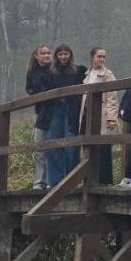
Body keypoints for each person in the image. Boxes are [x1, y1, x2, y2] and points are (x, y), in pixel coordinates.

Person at [45, 45, 86, 186]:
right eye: (60, 54)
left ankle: (72, 178)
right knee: (53, 143)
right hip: (55, 109)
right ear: (56, 56)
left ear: (70, 55)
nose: (63, 57)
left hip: (72, 110)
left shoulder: (79, 71)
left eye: (66, 54)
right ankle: (56, 180)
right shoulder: (50, 73)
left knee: (72, 145)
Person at [80, 47, 119, 186]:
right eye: (99, 56)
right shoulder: (86, 75)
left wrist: (111, 118)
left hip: (102, 115)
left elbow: (112, 98)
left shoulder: (108, 75)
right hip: (86, 115)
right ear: (92, 57)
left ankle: (105, 180)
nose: (102, 59)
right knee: (88, 147)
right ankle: (89, 178)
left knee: (103, 148)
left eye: (103, 57)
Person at [24, 45, 55, 190]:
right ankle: (39, 182)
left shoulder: (55, 70)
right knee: (39, 148)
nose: (46, 55)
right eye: (43, 53)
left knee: (52, 148)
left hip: (55, 113)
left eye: (48, 53)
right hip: (41, 114)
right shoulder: (32, 73)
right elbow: (29, 88)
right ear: (36, 56)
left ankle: (50, 180)